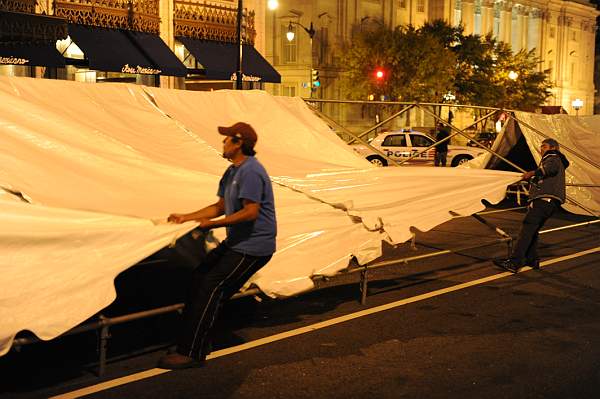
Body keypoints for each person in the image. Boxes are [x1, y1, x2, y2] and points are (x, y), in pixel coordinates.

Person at [158, 122, 277, 369]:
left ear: (238, 143)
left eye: (226, 140)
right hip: (237, 242)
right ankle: (197, 339)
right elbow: (220, 206)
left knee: (210, 287)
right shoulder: (232, 172)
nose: (222, 143)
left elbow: (250, 212)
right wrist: (187, 216)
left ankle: (192, 352)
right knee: (199, 277)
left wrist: (211, 225)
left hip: (255, 246)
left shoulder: (251, 172)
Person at [493, 138, 569, 273]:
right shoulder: (554, 160)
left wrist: (532, 173)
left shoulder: (553, 157)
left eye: (544, 146)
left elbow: (550, 169)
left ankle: (514, 262)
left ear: (554, 148)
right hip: (550, 202)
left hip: (544, 200)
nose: (541, 149)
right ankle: (532, 259)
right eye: (541, 147)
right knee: (532, 231)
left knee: (526, 229)